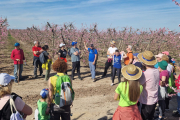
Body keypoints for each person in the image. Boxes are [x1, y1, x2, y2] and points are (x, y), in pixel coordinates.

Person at [137, 51, 160, 120]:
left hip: (147, 100)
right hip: (154, 97)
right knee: (151, 116)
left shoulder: (146, 73)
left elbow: (139, 83)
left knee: (144, 117)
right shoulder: (156, 70)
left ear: (144, 63)